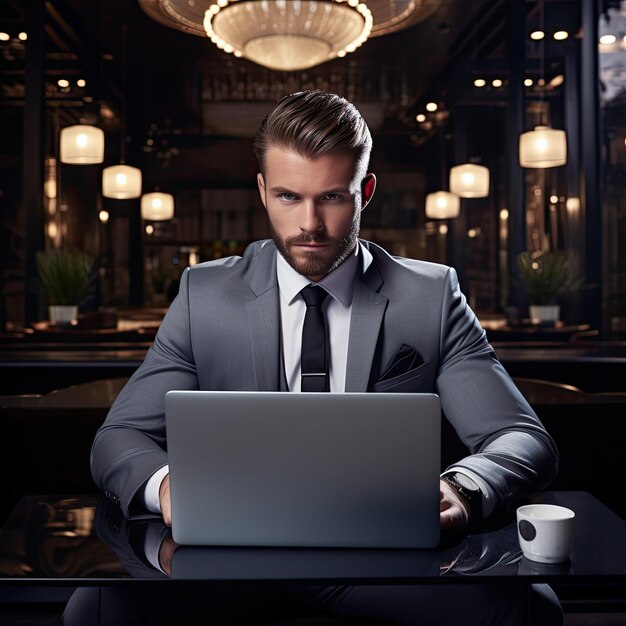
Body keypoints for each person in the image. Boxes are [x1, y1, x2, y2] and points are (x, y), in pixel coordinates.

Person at [88, 90, 561, 625]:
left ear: (366, 191)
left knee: (529, 609)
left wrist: (463, 487)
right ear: (263, 191)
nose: (309, 224)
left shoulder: (430, 297)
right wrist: (167, 485)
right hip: (232, 555)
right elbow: (116, 438)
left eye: (332, 197)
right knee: (97, 607)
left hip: (378, 559)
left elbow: (523, 438)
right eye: (289, 197)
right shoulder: (205, 295)